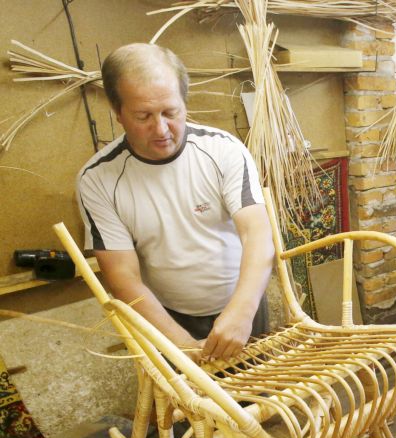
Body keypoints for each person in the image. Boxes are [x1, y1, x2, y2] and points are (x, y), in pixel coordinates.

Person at [76, 43, 274, 363]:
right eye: (143, 116)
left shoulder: (223, 151)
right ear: (118, 113)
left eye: (171, 112)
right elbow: (122, 276)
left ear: (184, 102)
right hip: (167, 316)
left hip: (243, 300)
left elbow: (257, 234)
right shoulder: (98, 179)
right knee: (189, 395)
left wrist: (242, 311)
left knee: (257, 390)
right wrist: (181, 344)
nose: (161, 129)